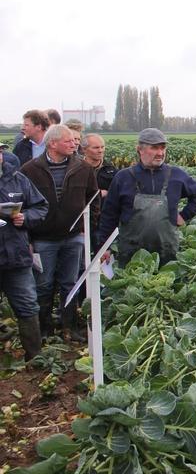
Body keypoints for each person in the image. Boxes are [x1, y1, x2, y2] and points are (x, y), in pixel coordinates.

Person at [20, 125, 98, 342]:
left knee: (70, 283)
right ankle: (44, 330)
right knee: (43, 285)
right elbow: (23, 204)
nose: (74, 144)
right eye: (68, 141)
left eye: (74, 142)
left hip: (73, 237)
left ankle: (69, 328)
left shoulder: (83, 168)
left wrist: (85, 228)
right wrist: (28, 238)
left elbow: (93, 200)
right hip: (43, 239)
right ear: (52, 143)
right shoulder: (30, 170)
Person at [95, 128, 196, 266]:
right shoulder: (123, 177)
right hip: (131, 252)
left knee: (166, 284)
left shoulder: (176, 175)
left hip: (167, 250)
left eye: (163, 148)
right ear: (140, 150)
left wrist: (184, 215)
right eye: (154, 148)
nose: (160, 153)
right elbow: (109, 215)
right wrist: (105, 247)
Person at [0, 152, 48, 359]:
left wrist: (25, 217)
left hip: (16, 257)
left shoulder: (18, 179)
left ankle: (34, 357)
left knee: (27, 304)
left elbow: (41, 206)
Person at [81, 133, 116, 251]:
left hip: (104, 222)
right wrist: (99, 194)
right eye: (96, 147)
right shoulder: (76, 170)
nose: (100, 150)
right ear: (84, 150)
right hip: (82, 224)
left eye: (102, 147)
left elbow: (116, 195)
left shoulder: (111, 170)